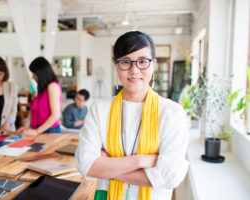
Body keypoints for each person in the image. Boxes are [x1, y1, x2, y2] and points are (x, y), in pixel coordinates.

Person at [76, 31, 189, 200]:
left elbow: (168, 177)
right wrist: (141, 161)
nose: (134, 70)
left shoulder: (172, 113)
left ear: (154, 65)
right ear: (116, 66)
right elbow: (86, 165)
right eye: (125, 62)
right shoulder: (99, 109)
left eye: (142, 61)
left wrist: (108, 167)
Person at [16, 57, 62, 135]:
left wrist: (36, 131)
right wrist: (26, 127)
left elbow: (55, 115)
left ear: (42, 73)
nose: (32, 77)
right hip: (40, 130)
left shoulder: (52, 86)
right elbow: (33, 110)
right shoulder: (43, 89)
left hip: (50, 131)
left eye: (34, 74)